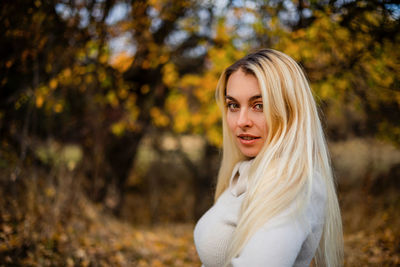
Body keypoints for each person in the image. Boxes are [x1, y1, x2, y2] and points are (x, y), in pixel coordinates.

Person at [194, 49, 343, 267]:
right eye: (233, 105)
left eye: (259, 106)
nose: (241, 121)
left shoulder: (293, 184)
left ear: (290, 111)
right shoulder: (245, 172)